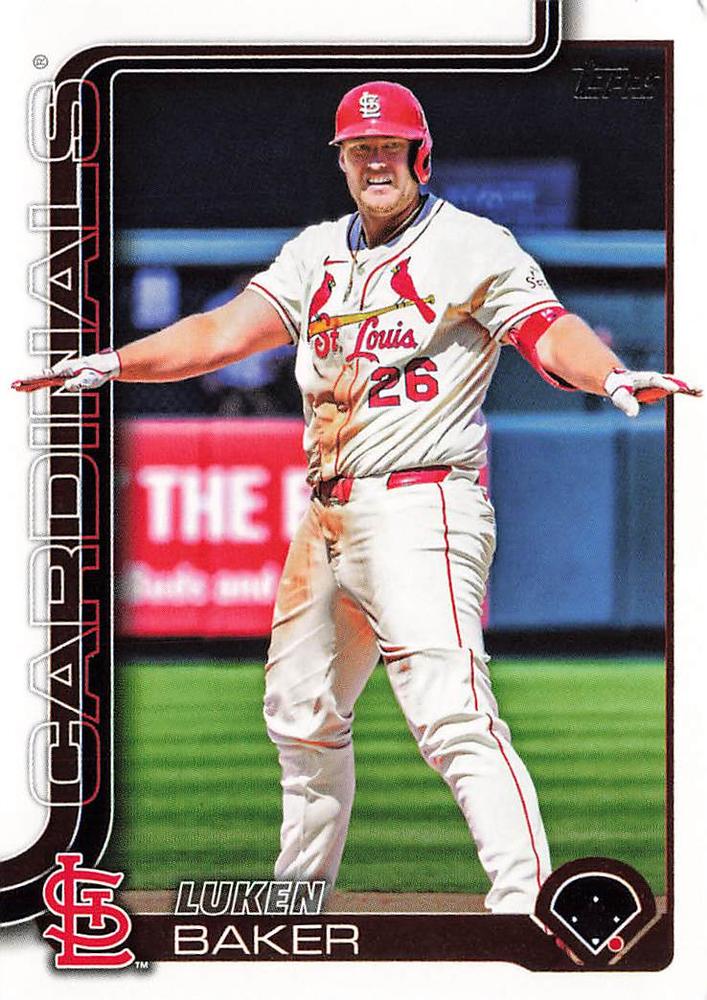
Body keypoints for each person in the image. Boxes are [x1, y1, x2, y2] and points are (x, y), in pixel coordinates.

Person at [15, 80, 699, 913]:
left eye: (390, 148)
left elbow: (543, 329)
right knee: (298, 713)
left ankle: (525, 905)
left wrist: (608, 373)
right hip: (328, 512)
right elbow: (222, 332)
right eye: (359, 149)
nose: (376, 162)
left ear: (420, 157)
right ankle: (296, 905)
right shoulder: (315, 253)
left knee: (450, 712)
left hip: (421, 503)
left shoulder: (470, 244)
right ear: (341, 161)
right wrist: (113, 362)